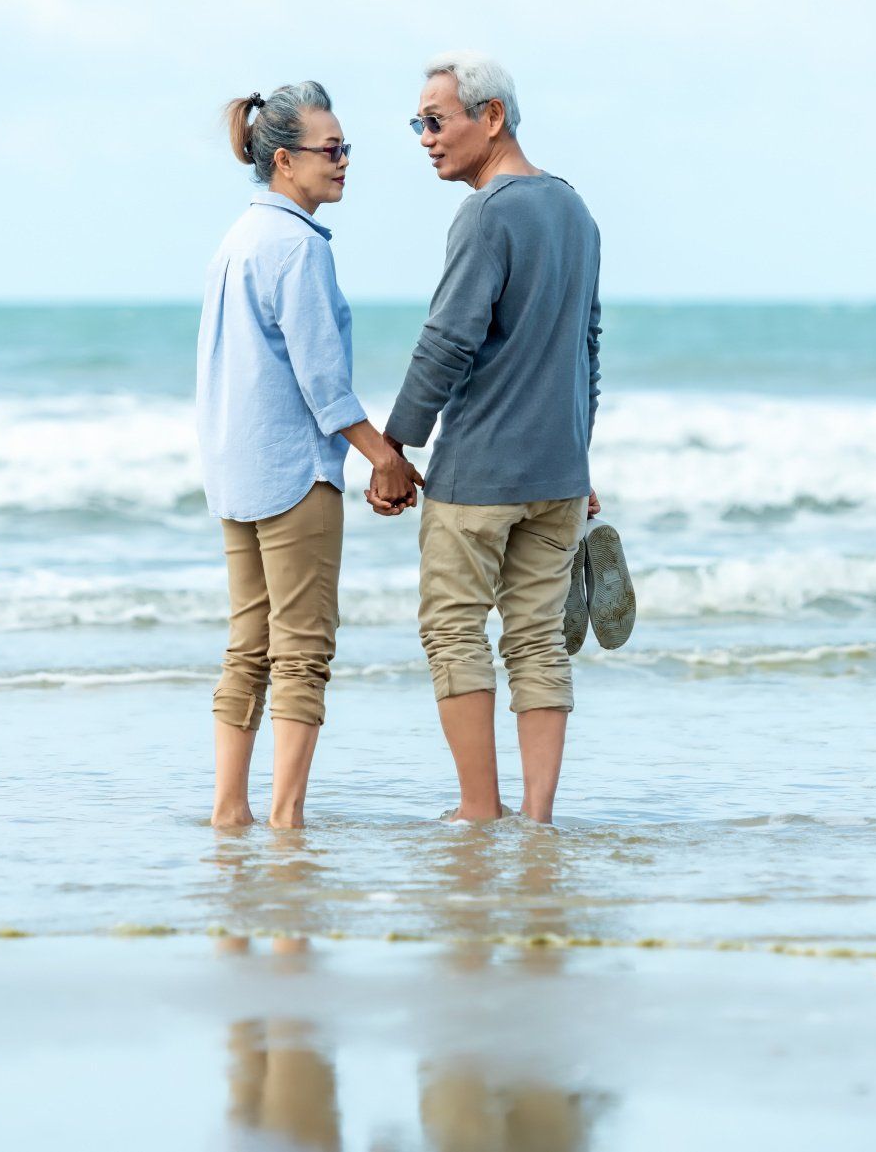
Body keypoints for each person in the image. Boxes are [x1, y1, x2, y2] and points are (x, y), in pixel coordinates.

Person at [377, 52, 604, 825]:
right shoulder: (576, 209)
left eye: (436, 121)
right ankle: (537, 816)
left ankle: (479, 807)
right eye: (419, 124)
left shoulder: (487, 212)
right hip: (558, 473)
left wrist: (395, 445)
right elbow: (587, 346)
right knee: (537, 638)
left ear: (493, 117)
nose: (425, 138)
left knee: (453, 627)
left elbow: (447, 340)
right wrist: (581, 449)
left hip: (479, 472)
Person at [198, 81, 423, 829]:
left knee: (248, 647)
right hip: (293, 474)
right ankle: (286, 818)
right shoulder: (296, 246)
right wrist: (381, 456)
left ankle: (230, 813)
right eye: (332, 150)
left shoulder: (238, 239)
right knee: (300, 653)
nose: (344, 162)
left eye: (346, 148)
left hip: (235, 471)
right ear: (286, 161)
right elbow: (322, 380)